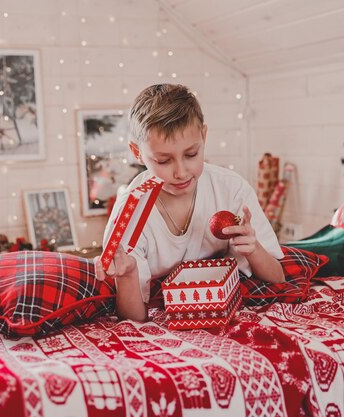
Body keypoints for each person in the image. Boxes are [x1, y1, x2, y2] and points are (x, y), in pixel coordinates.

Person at [94, 84, 285, 321]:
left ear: (203, 137)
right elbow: (133, 319)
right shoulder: (129, 214)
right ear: (137, 152)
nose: (181, 172)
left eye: (191, 154)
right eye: (163, 161)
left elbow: (278, 277)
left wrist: (253, 248)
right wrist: (128, 274)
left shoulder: (231, 188)